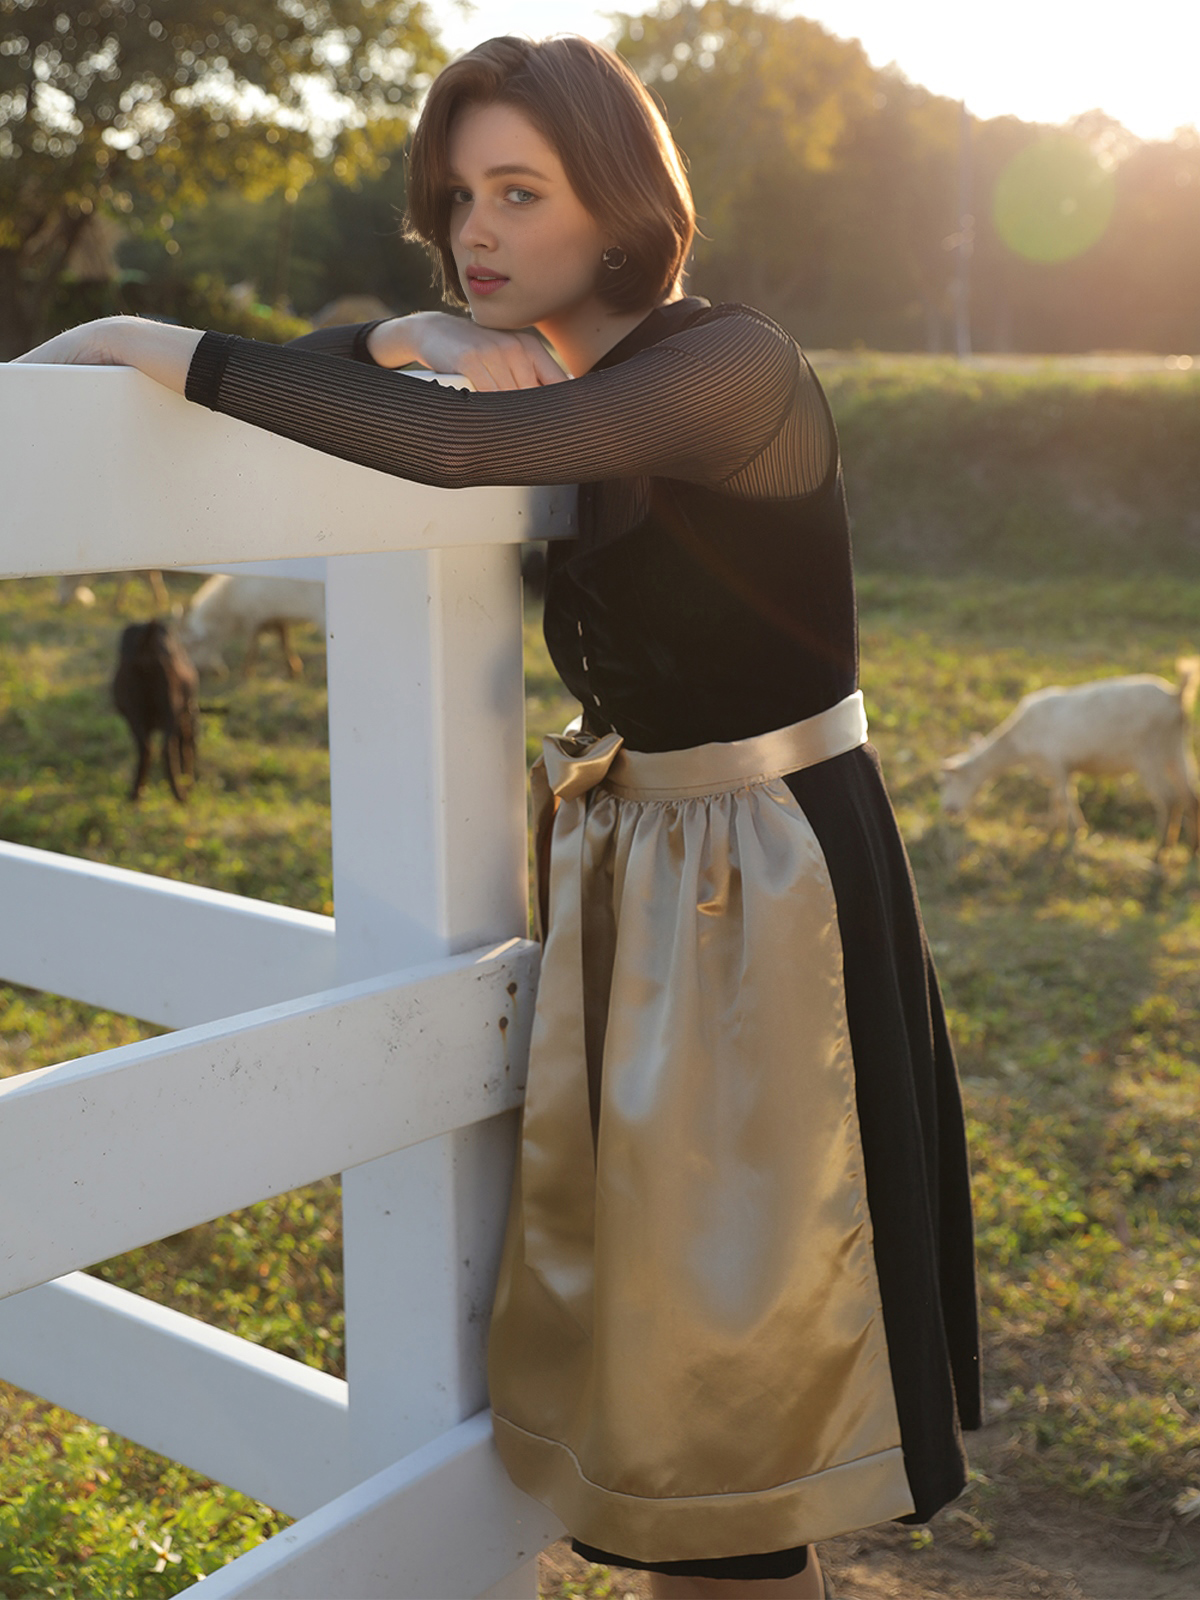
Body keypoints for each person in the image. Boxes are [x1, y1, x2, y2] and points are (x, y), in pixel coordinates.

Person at [13, 36, 980, 1599]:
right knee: (668, 1377)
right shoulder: (570, 378)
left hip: (769, 884)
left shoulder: (732, 367)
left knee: (731, 1411)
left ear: (620, 202)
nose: (478, 230)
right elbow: (376, 395)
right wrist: (399, 334)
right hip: (648, 871)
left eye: (521, 193)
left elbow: (460, 450)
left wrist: (141, 333)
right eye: (460, 196)